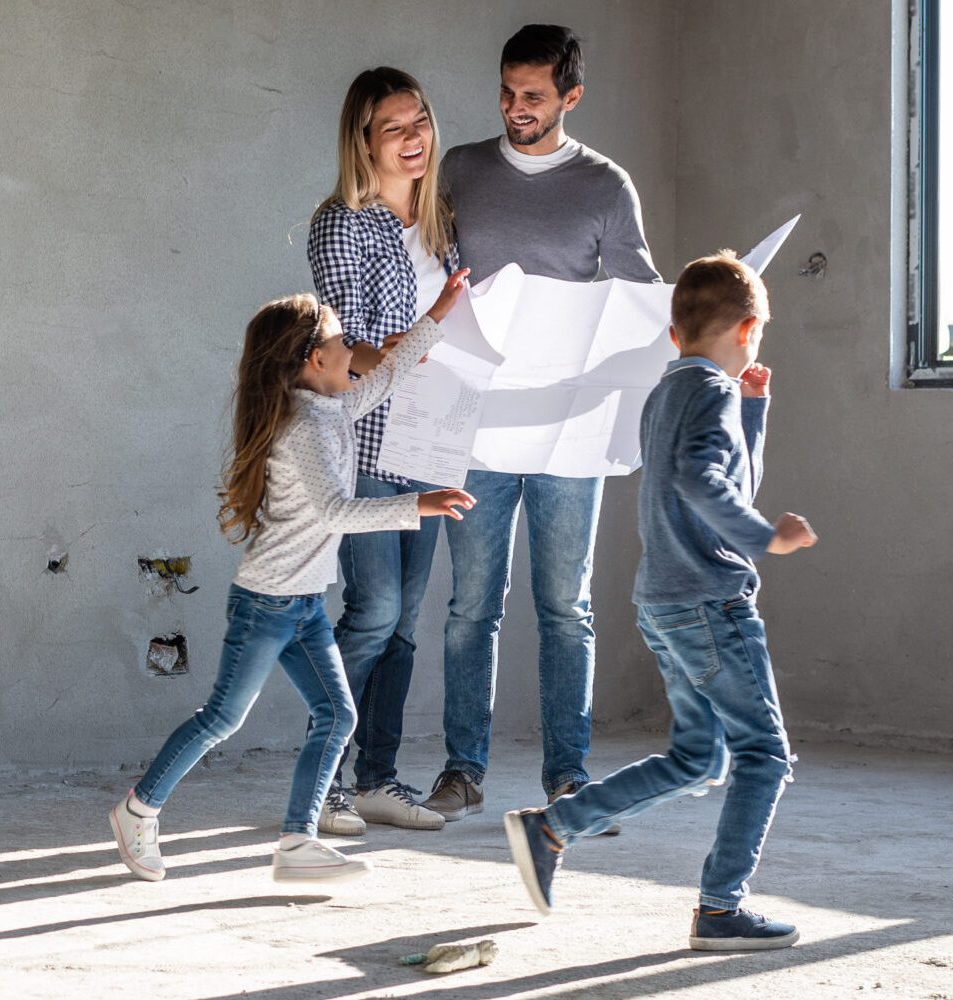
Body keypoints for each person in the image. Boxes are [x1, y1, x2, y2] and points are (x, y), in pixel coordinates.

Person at [110, 280, 476, 884]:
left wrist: (436, 315)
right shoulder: (303, 426)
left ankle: (297, 844)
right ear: (316, 359)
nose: (353, 351)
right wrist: (419, 505)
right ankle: (137, 810)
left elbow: (384, 379)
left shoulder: (329, 409)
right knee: (222, 719)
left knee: (336, 715)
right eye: (343, 341)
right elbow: (334, 512)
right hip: (267, 602)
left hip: (302, 602)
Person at [502, 250, 817, 951]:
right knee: (764, 755)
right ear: (748, 329)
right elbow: (705, 482)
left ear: (675, 335)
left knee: (698, 759)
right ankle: (719, 909)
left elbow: (724, 472)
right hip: (709, 602)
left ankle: (553, 828)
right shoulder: (711, 392)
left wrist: (756, 410)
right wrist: (767, 539)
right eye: (757, 337)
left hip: (666, 601)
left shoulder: (673, 388)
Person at [421, 23, 662, 823]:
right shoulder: (462, 169)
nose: (515, 108)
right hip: (477, 424)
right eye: (506, 91)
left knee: (567, 607)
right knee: (470, 607)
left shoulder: (604, 185)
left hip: (568, 429)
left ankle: (568, 775)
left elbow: (638, 298)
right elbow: (430, 271)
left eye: (533, 96)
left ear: (571, 97)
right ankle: (463, 770)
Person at [306, 67, 462, 835]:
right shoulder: (343, 222)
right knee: (373, 611)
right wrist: (421, 341)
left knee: (404, 624)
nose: (414, 139)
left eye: (421, 122)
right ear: (363, 141)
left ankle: (378, 779)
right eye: (394, 128)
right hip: (367, 438)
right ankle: (323, 780)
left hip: (431, 442)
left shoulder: (440, 226)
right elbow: (346, 348)